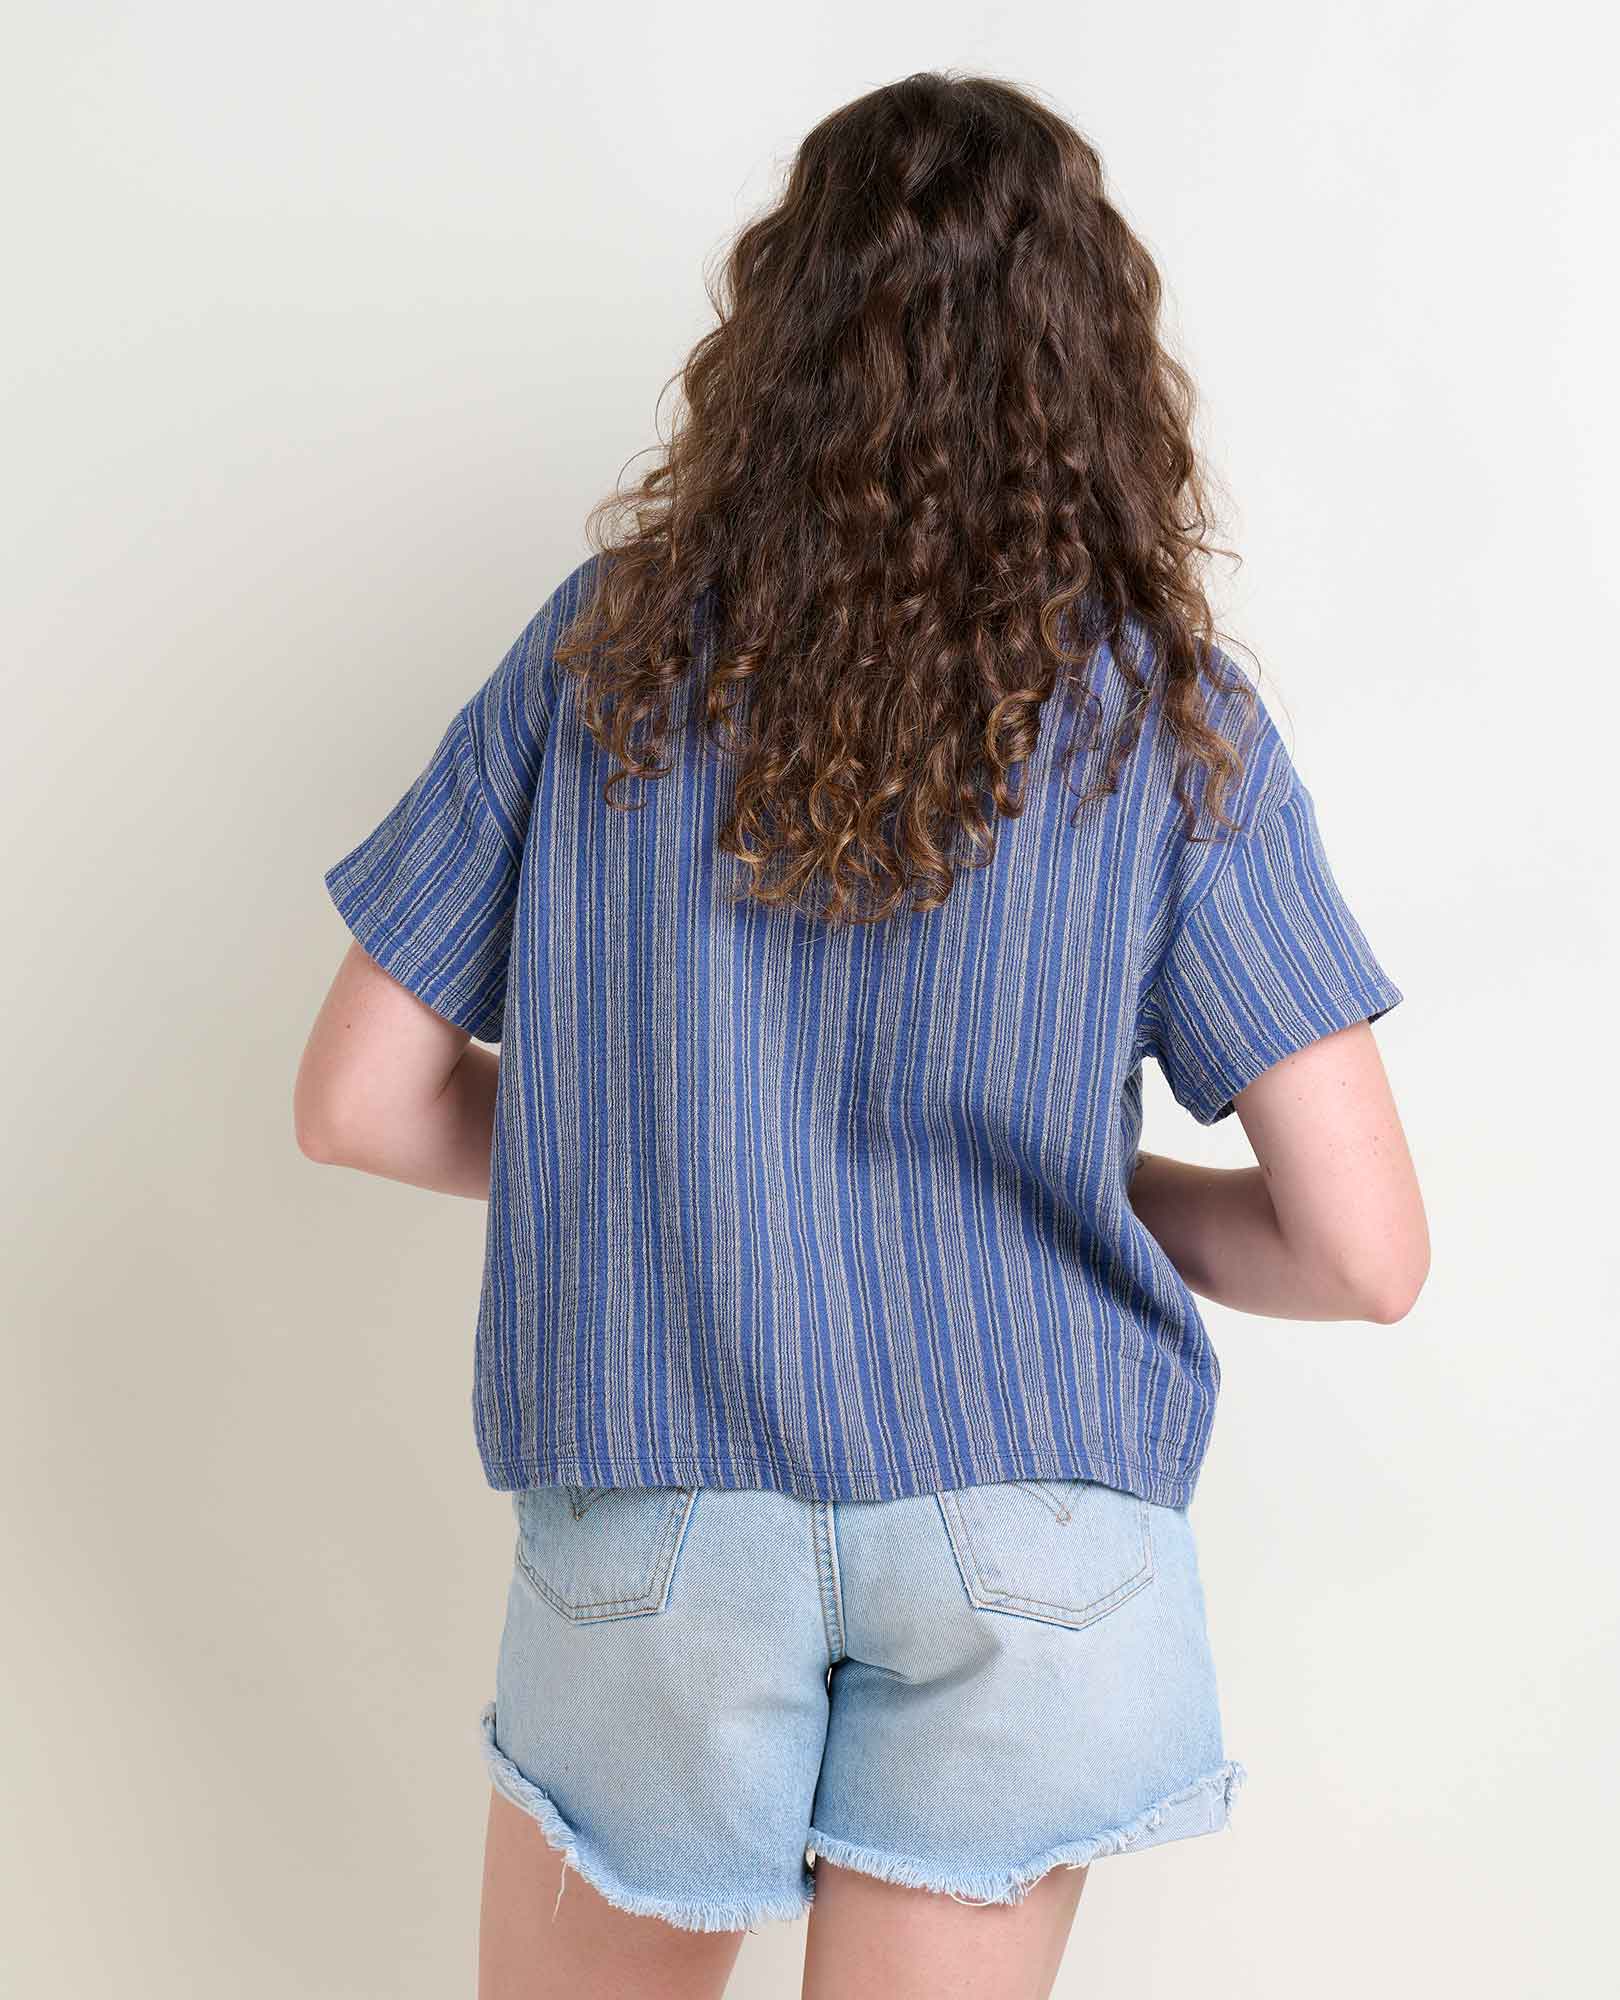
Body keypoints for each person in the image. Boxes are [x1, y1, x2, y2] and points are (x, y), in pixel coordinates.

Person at [294, 69, 1428, 2000]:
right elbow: (1367, 1254)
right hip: (1033, 1547)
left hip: (665, 1517)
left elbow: (356, 1101)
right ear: (1094, 370)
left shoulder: (603, 659)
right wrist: (1088, 1200)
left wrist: (641, 1152)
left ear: (781, 342)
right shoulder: (1167, 722)